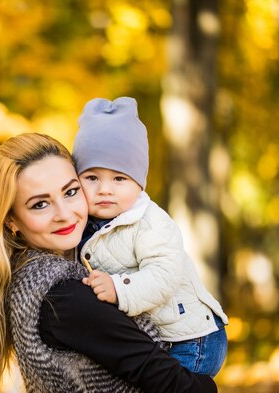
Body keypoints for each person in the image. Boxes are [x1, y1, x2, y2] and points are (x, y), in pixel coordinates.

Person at [0, 132, 218, 393]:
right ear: (11, 220)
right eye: (40, 204)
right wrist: (209, 390)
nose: (64, 213)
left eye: (71, 192)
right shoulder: (62, 296)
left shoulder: (36, 279)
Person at [73, 97, 229, 378]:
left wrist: (119, 288)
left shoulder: (150, 222)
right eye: (92, 177)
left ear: (138, 182)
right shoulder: (86, 223)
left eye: (119, 179)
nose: (105, 189)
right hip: (159, 338)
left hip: (192, 339)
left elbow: (165, 274)